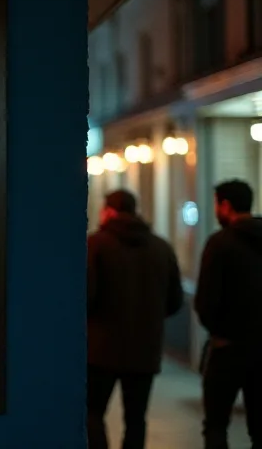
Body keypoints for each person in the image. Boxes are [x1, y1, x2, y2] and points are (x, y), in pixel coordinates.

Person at [86, 190, 183, 449]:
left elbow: (86, 297)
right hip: (145, 350)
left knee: (92, 414)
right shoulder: (161, 248)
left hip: (99, 351)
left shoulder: (95, 245)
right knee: (136, 419)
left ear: (108, 211)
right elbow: (175, 302)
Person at [195, 179, 262, 449]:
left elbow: (206, 301)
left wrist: (219, 330)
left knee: (216, 425)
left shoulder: (220, 243)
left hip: (227, 349)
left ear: (225, 205)